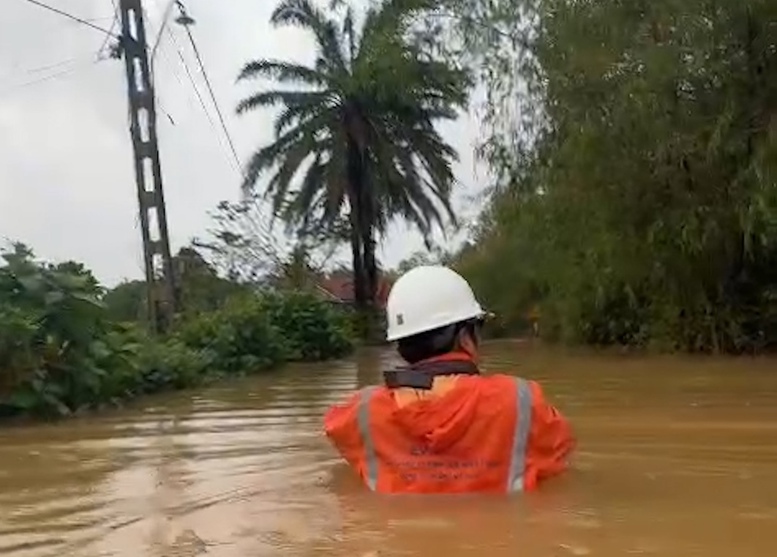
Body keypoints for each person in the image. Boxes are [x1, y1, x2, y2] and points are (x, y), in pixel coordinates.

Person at [323, 265, 575, 494]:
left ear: (400, 345)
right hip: (496, 542)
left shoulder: (362, 413)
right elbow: (559, 452)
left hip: (401, 542)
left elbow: (337, 432)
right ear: (465, 337)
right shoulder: (521, 401)